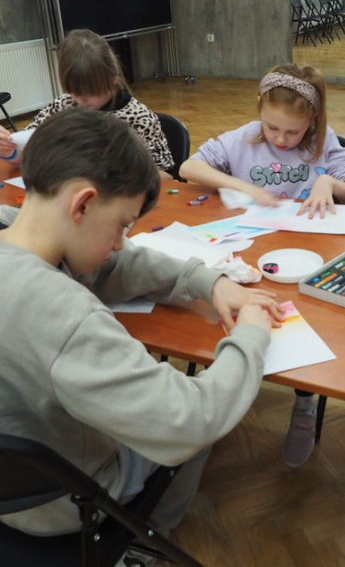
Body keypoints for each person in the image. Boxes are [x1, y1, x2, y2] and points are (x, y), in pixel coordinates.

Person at [0, 108, 284, 566]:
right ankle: (146, 545)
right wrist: (250, 337)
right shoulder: (65, 318)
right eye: (122, 225)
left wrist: (208, 281)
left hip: (16, 479)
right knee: (197, 421)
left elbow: (115, 263)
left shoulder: (14, 227)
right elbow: (193, 419)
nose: (120, 242)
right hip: (59, 502)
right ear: (82, 204)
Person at [180, 63, 345, 469]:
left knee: (309, 322)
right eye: (272, 127)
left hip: (307, 255)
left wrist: (328, 182)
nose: (280, 139)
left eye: (292, 132)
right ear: (259, 110)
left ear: (313, 120)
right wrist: (243, 185)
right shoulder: (246, 137)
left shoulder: (324, 142)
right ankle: (220, 391)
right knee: (221, 310)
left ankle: (305, 401)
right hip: (251, 251)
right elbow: (188, 168)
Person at [0, 29, 175, 179]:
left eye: (90, 93)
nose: (80, 100)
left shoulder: (138, 118)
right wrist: (9, 150)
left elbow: (166, 177)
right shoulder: (62, 106)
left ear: (112, 79)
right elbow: (25, 153)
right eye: (73, 92)